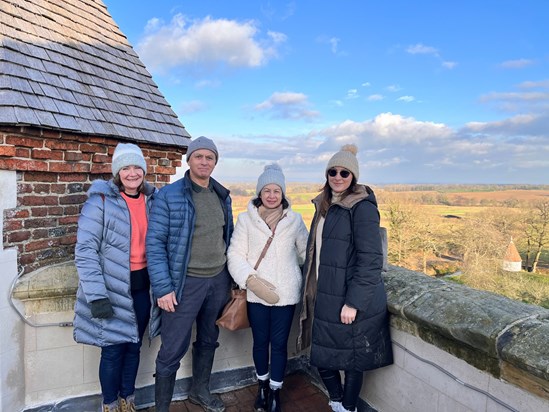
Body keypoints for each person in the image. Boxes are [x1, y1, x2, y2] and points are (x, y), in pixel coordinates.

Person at [296, 144, 393, 412]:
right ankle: (337, 402)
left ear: (354, 177)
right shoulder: (325, 206)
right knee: (323, 357)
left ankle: (346, 407)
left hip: (348, 299)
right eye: (332, 172)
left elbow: (371, 259)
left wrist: (353, 303)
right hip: (325, 295)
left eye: (344, 173)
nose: (338, 177)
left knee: (351, 360)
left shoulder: (361, 208)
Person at [146, 136, 233, 412]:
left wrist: (230, 280)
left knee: (209, 339)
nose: (204, 162)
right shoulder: (169, 196)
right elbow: (155, 243)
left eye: (210, 157)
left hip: (218, 281)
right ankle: (161, 407)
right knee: (172, 349)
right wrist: (162, 288)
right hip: (183, 284)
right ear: (189, 160)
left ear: (215, 162)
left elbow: (226, 238)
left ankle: (200, 392)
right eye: (199, 156)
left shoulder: (222, 195)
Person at [73, 142, 157, 412]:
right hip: (111, 290)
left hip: (143, 289)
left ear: (143, 170)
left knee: (134, 347)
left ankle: (127, 401)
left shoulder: (153, 201)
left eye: (137, 167)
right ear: (117, 172)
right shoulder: (100, 202)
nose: (132, 173)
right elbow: (85, 251)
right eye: (126, 168)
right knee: (112, 351)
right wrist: (97, 295)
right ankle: (109, 404)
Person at [227, 164, 308, 412]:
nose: (272, 195)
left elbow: (306, 253)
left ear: (283, 193)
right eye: (267, 190)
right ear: (259, 193)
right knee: (260, 342)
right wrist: (250, 280)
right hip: (255, 293)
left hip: (285, 292)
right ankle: (262, 386)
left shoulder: (294, 220)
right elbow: (235, 254)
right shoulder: (245, 220)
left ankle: (275, 391)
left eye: (276, 190)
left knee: (279, 343)